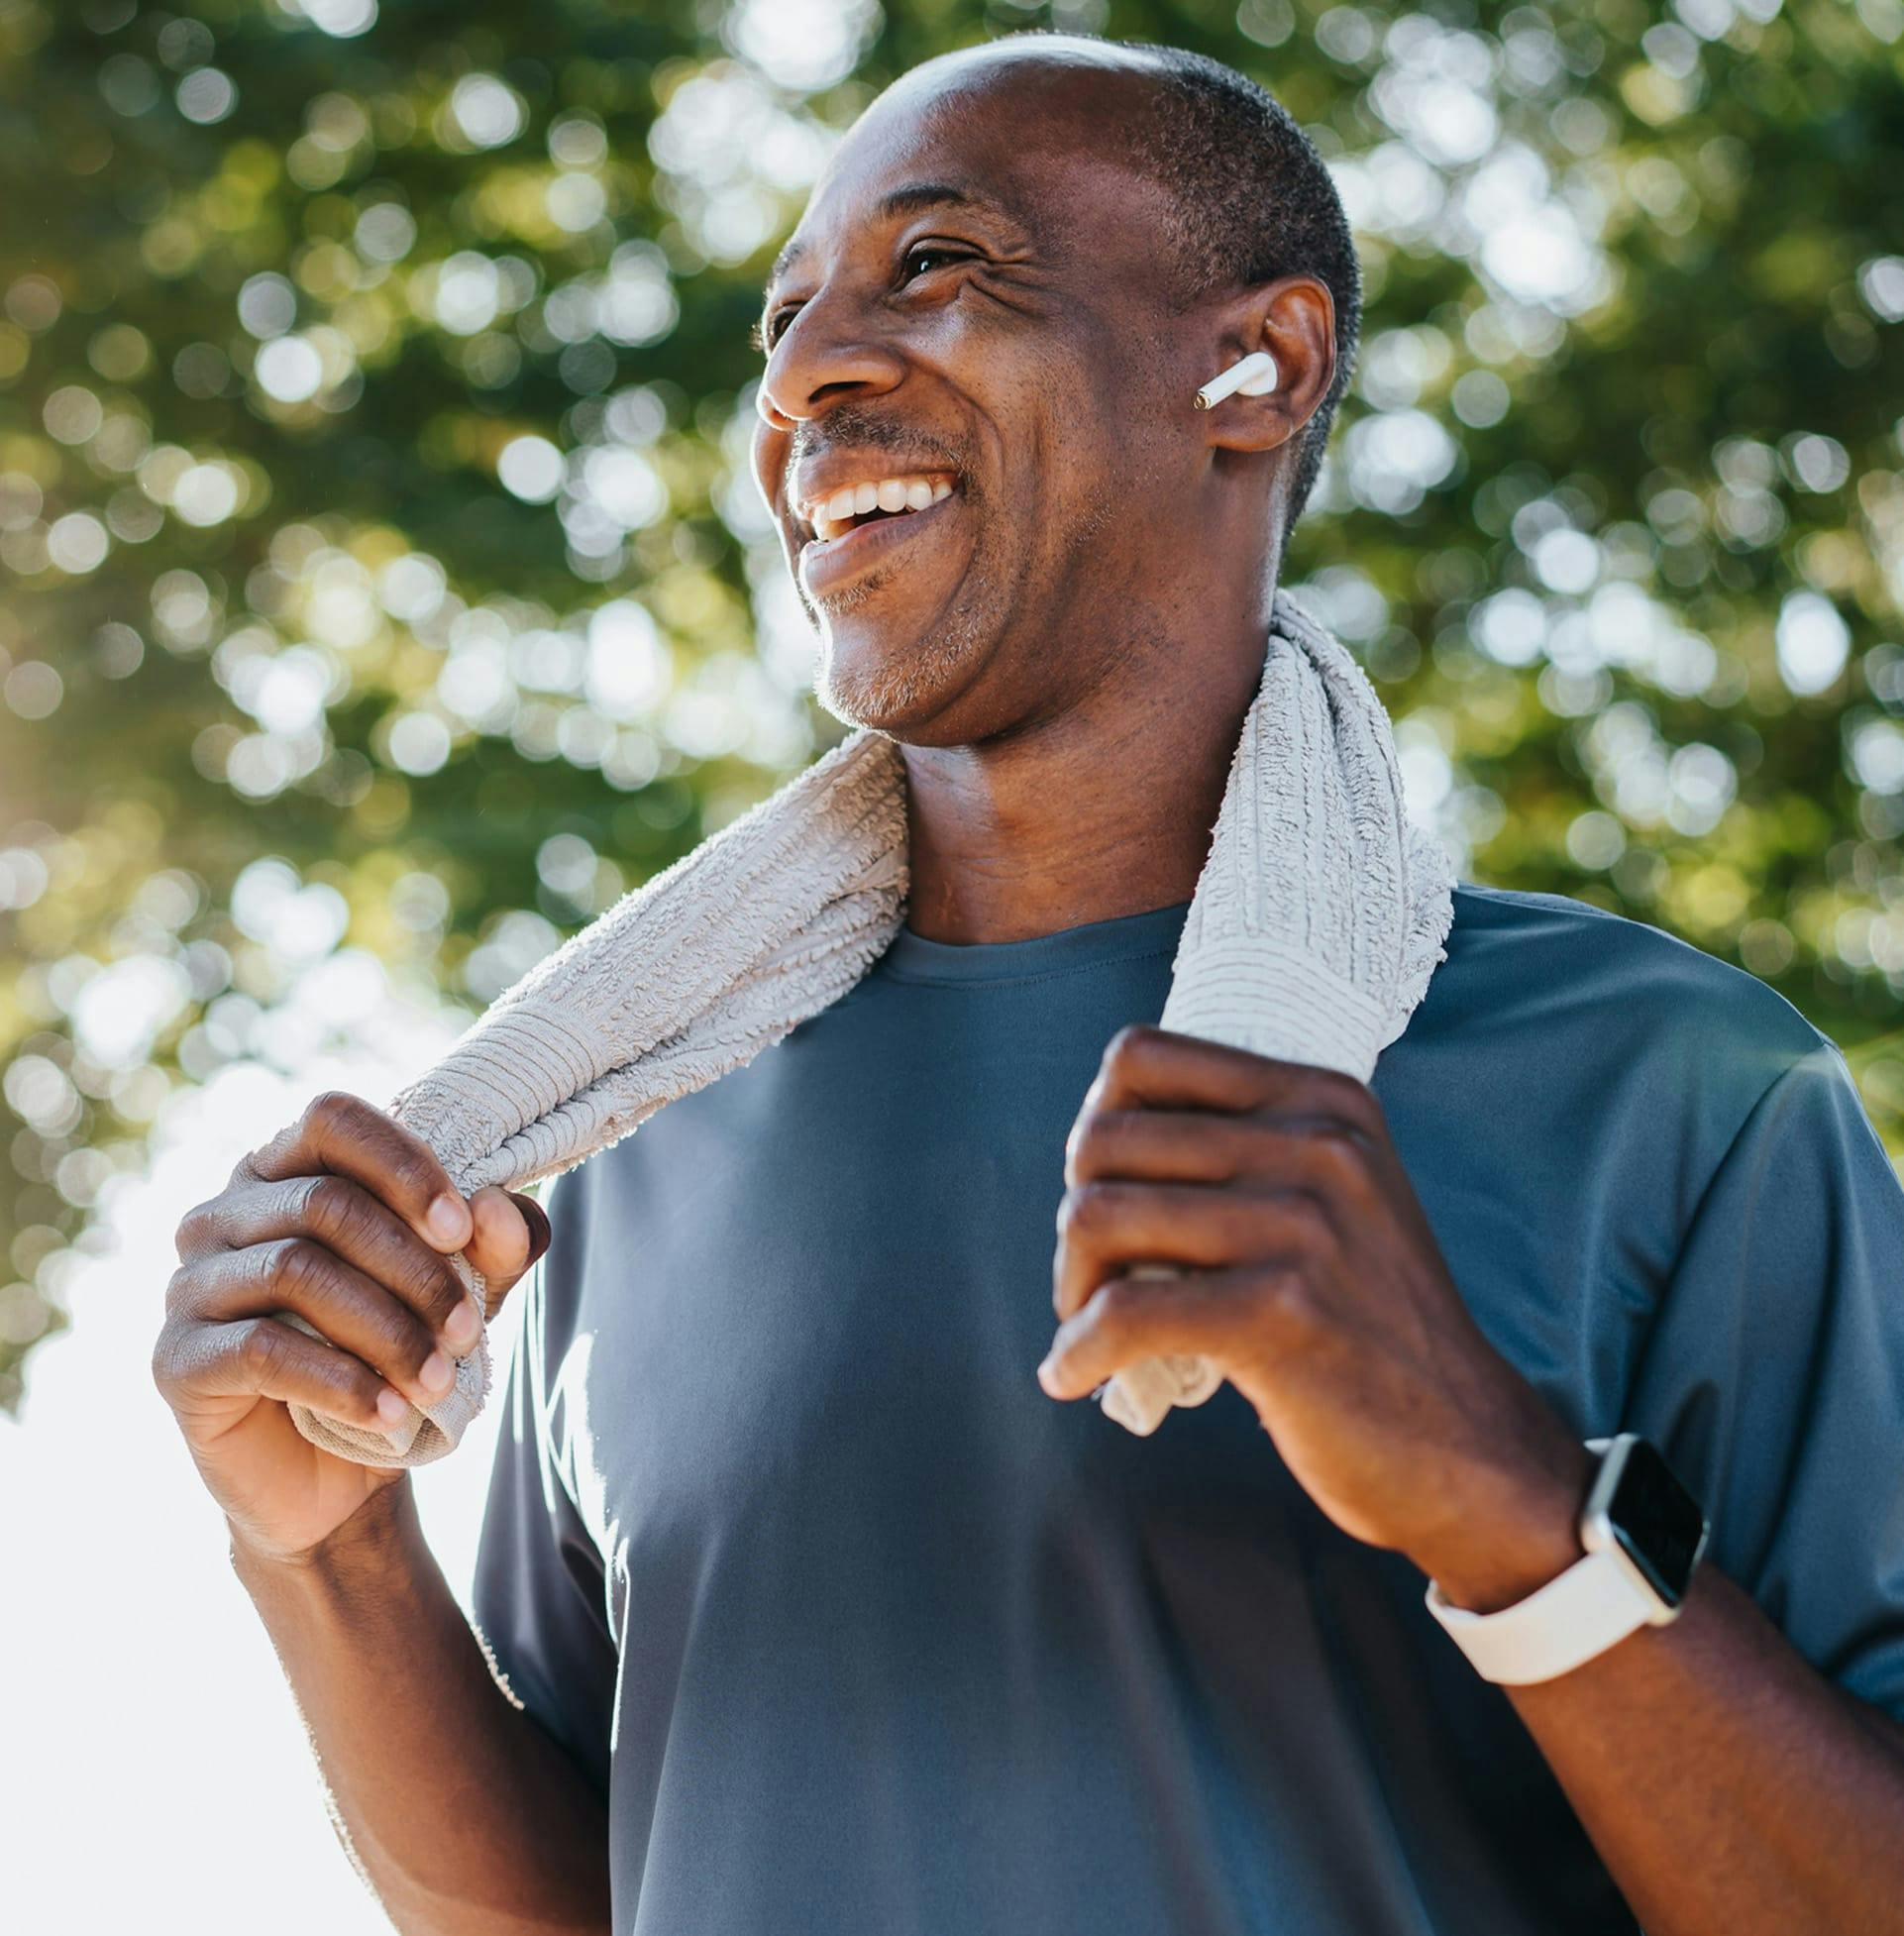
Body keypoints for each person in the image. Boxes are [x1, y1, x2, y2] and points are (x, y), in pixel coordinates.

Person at [154, 33, 1904, 1936]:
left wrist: (1505, 1505)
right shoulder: (620, 1147)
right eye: (785, 314)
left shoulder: (1672, 1095)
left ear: (1262, 366)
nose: (807, 371)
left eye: (938, 266)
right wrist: (323, 1555)